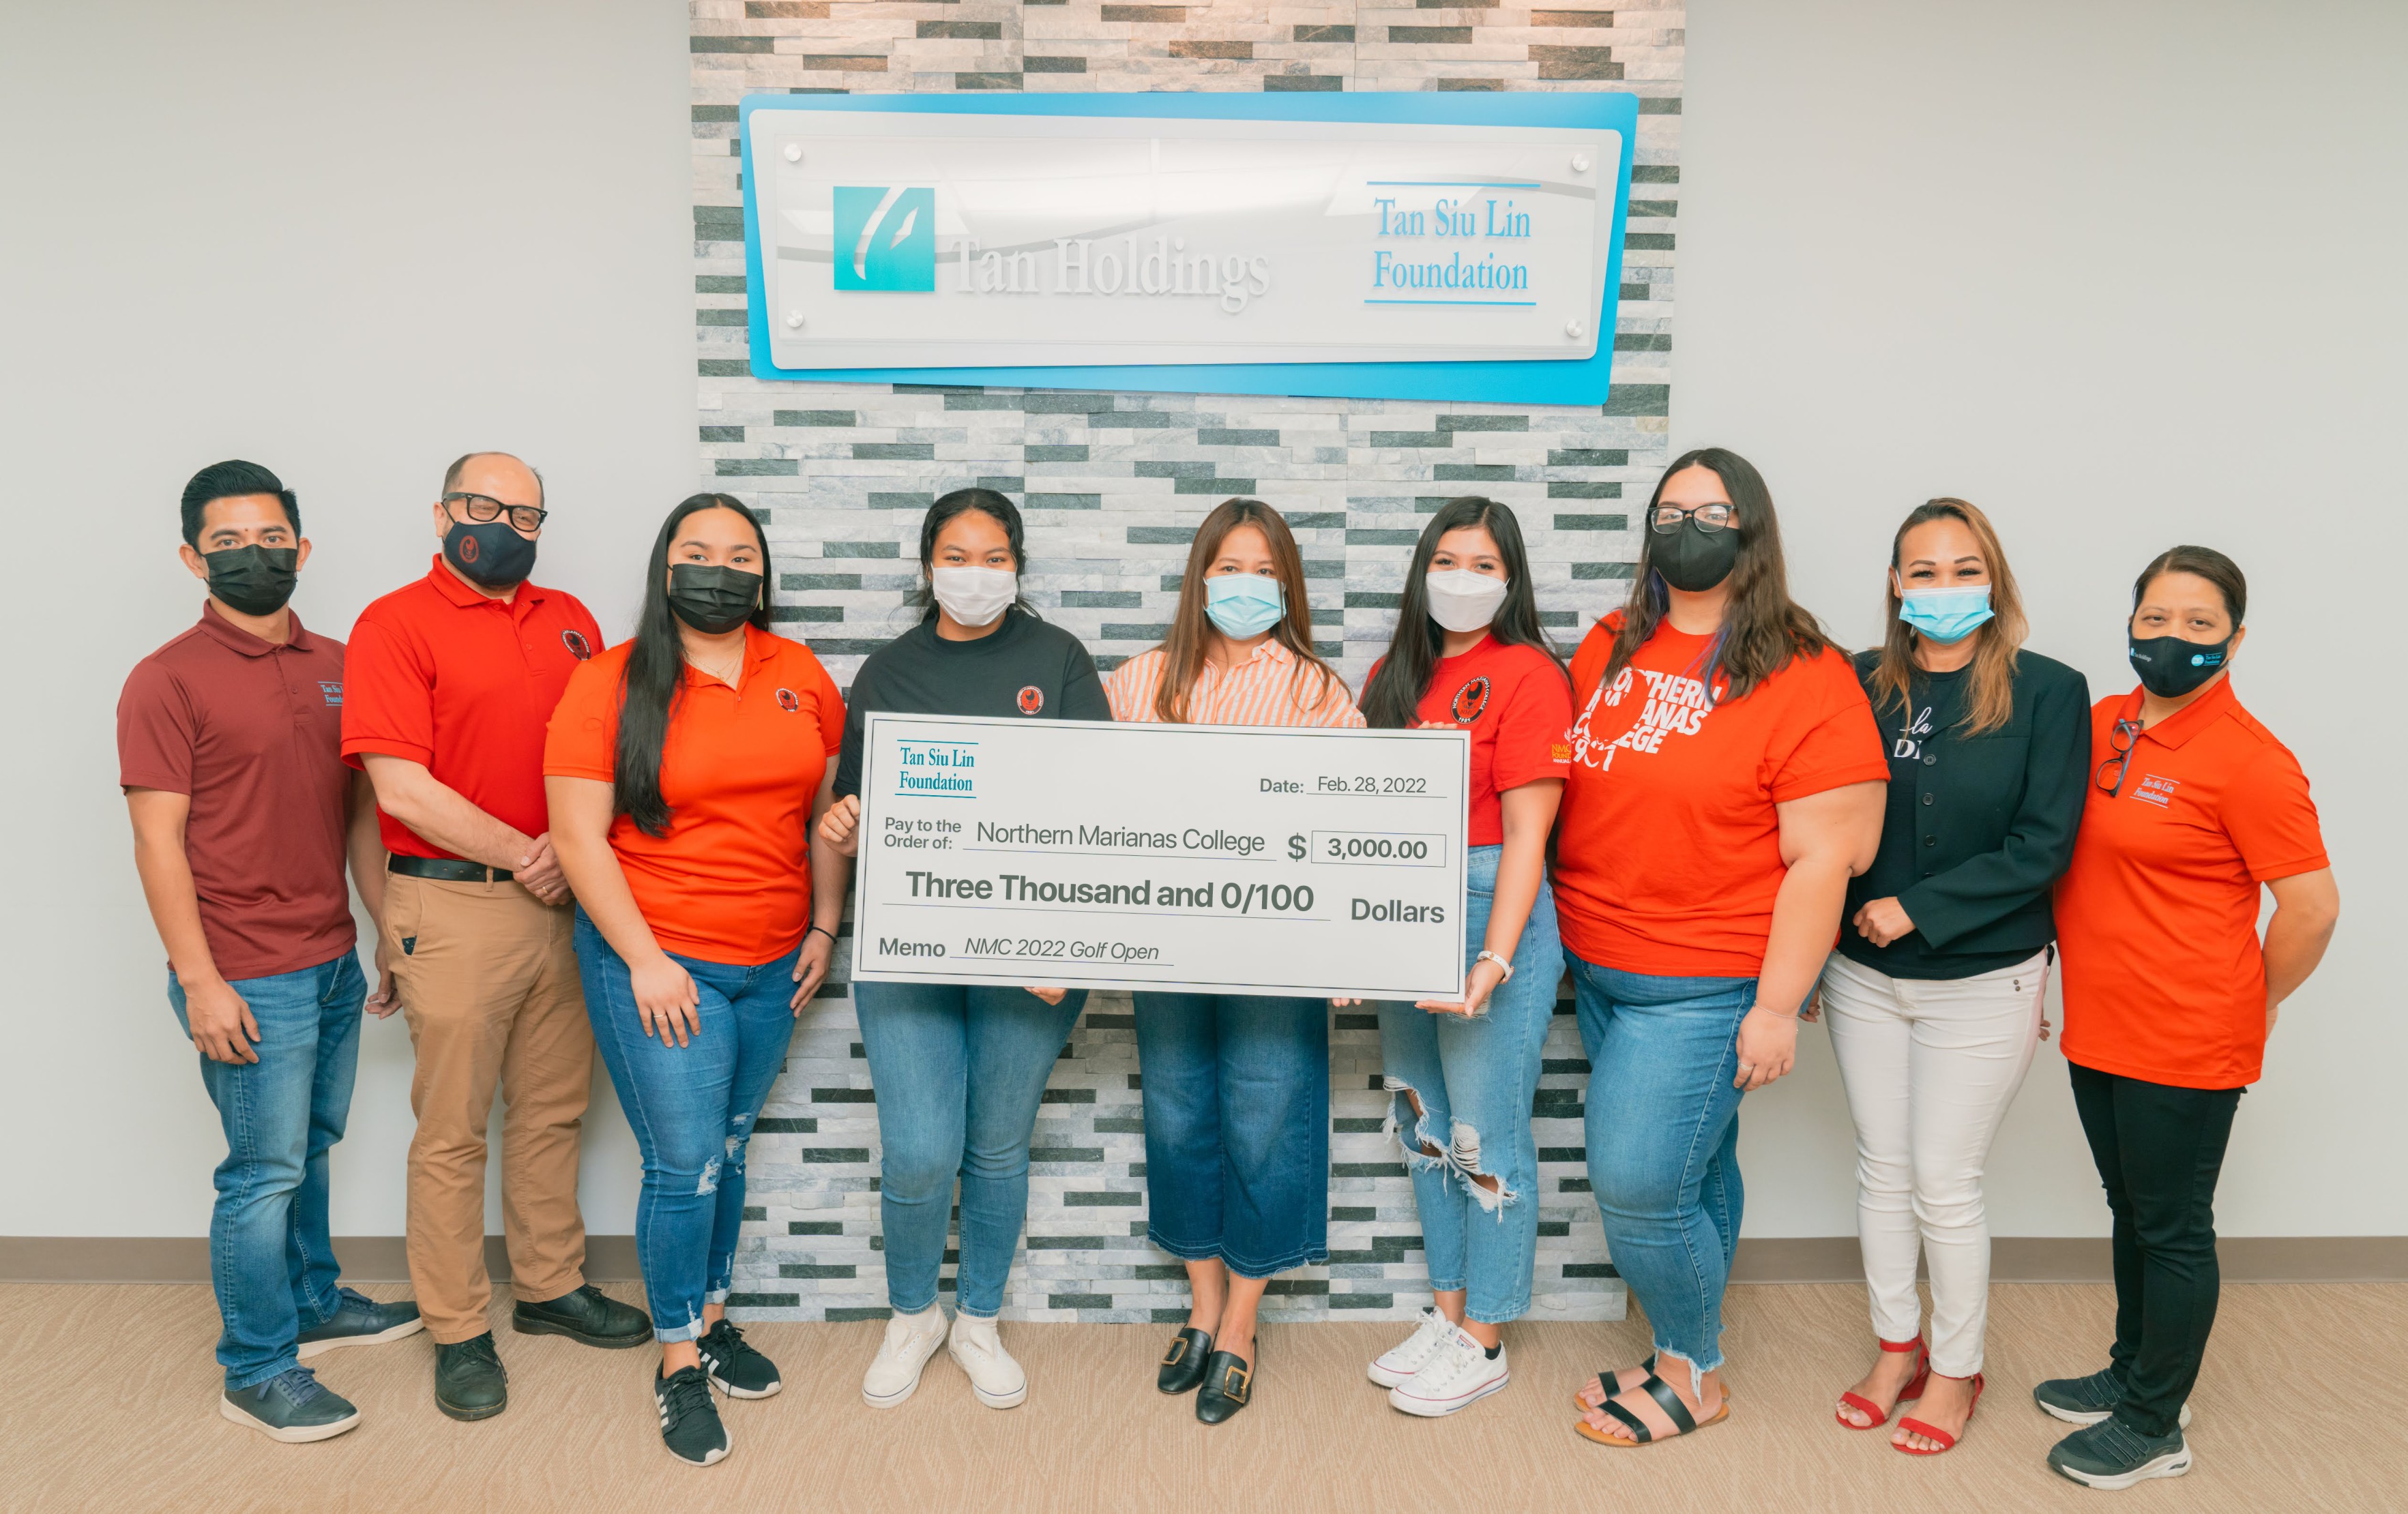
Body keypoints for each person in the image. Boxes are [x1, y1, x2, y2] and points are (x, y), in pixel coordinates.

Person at [1558, 447, 1888, 1446]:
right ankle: (1679, 1341)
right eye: (1668, 510)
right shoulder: (1609, 644)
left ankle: (1690, 1369)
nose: (1685, 527)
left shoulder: (1803, 673)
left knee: (1636, 1184)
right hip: (1600, 965)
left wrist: (1777, 1005)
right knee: (1694, 1173)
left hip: (1702, 981)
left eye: (1709, 510)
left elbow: (1828, 858)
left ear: (1750, 529)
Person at [119, 460, 424, 1442]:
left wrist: (379, 935)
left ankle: (313, 1299)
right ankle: (255, 1366)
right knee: (262, 1172)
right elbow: (156, 841)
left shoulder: (340, 663)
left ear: (302, 544)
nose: (254, 555)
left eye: (269, 538)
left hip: (331, 957)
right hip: (244, 971)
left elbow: (362, 822)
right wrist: (202, 982)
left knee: (312, 1149)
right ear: (190, 556)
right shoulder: (165, 680)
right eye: (227, 543)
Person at [343, 451, 649, 1423]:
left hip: (567, 908)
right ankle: (458, 1328)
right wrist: (536, 852)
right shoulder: (392, 624)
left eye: (526, 511)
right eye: (484, 505)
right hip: (458, 905)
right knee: (452, 1132)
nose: (505, 523)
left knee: (554, 1112)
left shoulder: (573, 622)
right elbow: (401, 790)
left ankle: (551, 1288)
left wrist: (573, 859)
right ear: (442, 514)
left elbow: (598, 755)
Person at [545, 493, 845, 1466]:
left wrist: (825, 925)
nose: (719, 567)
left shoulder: (798, 673)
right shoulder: (610, 682)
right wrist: (643, 959)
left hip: (772, 964)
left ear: (761, 575)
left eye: (739, 553)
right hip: (662, 960)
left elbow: (824, 813)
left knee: (729, 1143)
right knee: (683, 1165)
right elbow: (578, 839)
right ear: (665, 566)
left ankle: (712, 1319)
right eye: (697, 550)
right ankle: (676, 1360)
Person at [2038, 546, 2337, 1491]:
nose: (2171, 639)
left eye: (2198, 625)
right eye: (2155, 620)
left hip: (2186, 1033)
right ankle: (2133, 1372)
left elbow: (2313, 907)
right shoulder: (2100, 725)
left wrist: (2254, 1002)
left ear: (2235, 641)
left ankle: (2154, 1422)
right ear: (2131, 626)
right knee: (2130, 1208)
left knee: (2172, 1225)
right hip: (2100, 1021)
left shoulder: (2250, 761)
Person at [817, 488, 1113, 1413]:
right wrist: (843, 821)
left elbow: (1103, 803)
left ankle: (977, 1317)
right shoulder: (887, 671)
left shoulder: (1056, 658)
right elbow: (859, 813)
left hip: (1031, 953)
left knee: (994, 1145)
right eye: (957, 554)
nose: (974, 573)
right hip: (912, 951)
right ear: (926, 564)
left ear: (1017, 567)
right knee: (917, 1151)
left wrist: (1078, 938)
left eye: (993, 557)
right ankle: (914, 1316)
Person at [1810, 498, 2089, 1454]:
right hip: (1860, 979)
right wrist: (1807, 950)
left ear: (1994, 580)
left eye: (1963, 569)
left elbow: (2044, 844)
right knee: (1882, 1170)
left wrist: (1917, 907)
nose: (1942, 588)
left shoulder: (2050, 692)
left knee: (1943, 1178)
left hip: (1982, 979)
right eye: (1921, 573)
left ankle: (1957, 1371)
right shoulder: (1853, 684)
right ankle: (1898, 1350)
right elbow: (1819, 821)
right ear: (1895, 586)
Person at [1104, 498, 1364, 1425]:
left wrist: (1348, 946)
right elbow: (1089, 815)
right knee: (1177, 1117)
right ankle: (1201, 1303)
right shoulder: (1135, 684)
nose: (1245, 586)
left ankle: (1244, 1322)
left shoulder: (1315, 693)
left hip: (1275, 953)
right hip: (1167, 951)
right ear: (1198, 576)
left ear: (1285, 586)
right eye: (1230, 568)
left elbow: (1348, 829)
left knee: (1265, 1122)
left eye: (1264, 572)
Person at [1346, 498, 1568, 1417]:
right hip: (1403, 906)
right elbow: (1353, 816)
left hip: (1488, 907)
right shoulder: (1390, 673)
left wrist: (1494, 957)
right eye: (1446, 558)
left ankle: (1485, 1337)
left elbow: (1527, 834)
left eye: (1482, 563)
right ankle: (1447, 1315)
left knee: (1486, 1134)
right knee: (1425, 1126)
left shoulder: (1528, 675)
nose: (1461, 578)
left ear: (1508, 580)